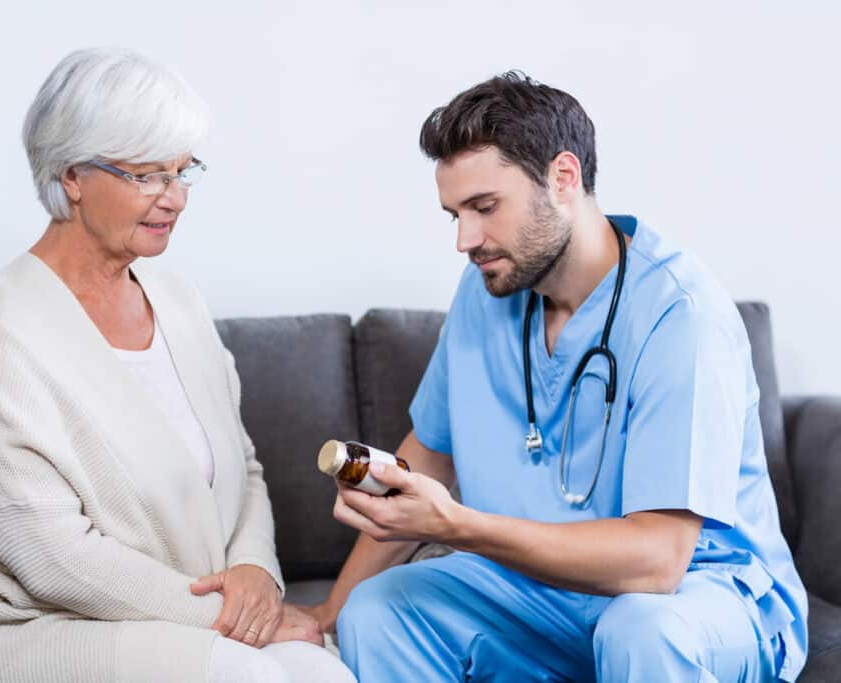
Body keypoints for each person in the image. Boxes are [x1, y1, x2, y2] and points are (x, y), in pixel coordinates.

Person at [302, 72, 808, 681]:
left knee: (638, 628)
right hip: (541, 593)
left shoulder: (681, 316)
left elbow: (656, 563)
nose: (466, 239)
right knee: (380, 610)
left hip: (694, 597)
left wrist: (458, 526)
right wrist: (331, 610)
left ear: (563, 178)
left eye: (485, 208)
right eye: (453, 214)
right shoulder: (485, 290)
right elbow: (430, 455)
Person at [0, 48, 353, 683]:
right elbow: (53, 560)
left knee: (323, 669)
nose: (176, 198)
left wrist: (257, 575)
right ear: (72, 176)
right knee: (258, 675)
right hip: (49, 627)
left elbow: (247, 469)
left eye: (183, 172)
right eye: (148, 175)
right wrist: (234, 619)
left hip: (195, 609)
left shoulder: (179, 300)